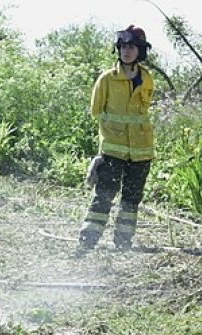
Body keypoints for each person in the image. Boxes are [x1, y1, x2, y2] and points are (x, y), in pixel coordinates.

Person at [78, 25, 155, 250]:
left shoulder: (147, 78)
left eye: (131, 47)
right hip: (113, 150)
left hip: (142, 151)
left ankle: (123, 244)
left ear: (139, 51)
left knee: (131, 201)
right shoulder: (107, 79)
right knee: (103, 196)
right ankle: (86, 243)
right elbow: (96, 110)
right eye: (123, 47)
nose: (126, 51)